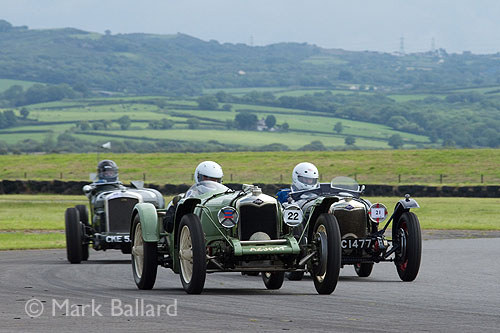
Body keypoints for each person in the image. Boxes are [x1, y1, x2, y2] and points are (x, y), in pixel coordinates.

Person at [163, 161, 224, 232]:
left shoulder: (223, 200)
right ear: (198, 177)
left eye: (216, 180)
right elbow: (168, 225)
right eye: (207, 179)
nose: (212, 183)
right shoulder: (184, 199)